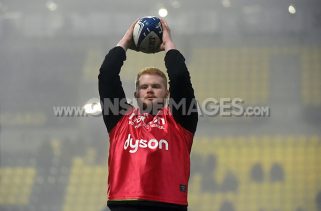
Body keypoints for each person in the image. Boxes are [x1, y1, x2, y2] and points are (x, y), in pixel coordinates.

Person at [98, 18, 198, 211]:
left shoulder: (181, 120)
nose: (150, 90)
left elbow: (179, 77)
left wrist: (169, 44)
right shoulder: (120, 119)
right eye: (144, 87)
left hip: (169, 205)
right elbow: (107, 73)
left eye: (156, 86)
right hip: (123, 203)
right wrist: (127, 39)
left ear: (167, 93)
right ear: (136, 93)